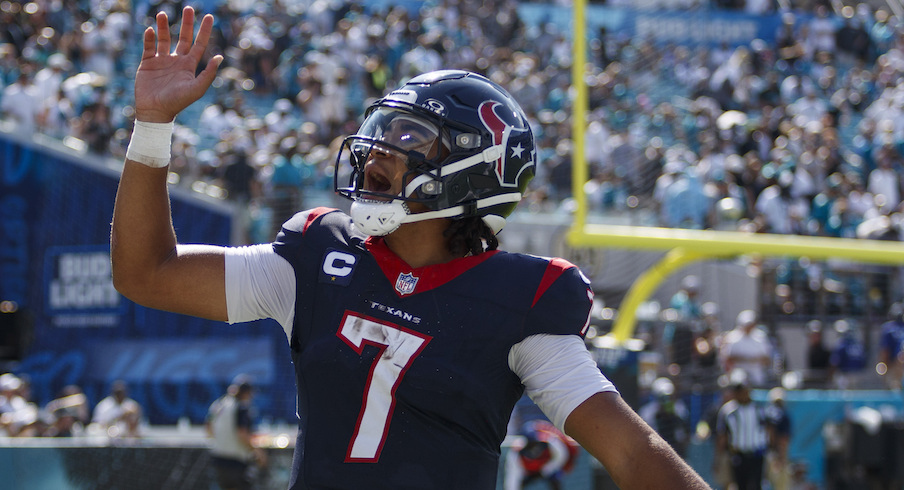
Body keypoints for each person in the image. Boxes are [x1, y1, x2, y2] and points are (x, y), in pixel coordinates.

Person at [110, 7, 709, 489]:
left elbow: (632, 455)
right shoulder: (319, 255)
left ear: (475, 172)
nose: (376, 150)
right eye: (382, 130)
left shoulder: (520, 302)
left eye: (410, 137)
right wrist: (153, 125)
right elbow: (146, 273)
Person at [207, 375, 268, 490]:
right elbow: (242, 434)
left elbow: (208, 429)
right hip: (235, 462)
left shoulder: (218, 405)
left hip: (218, 459)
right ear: (246, 393)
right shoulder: (241, 408)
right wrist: (258, 452)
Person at [715, 372, 769, 490]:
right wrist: (718, 458)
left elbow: (769, 430)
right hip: (738, 454)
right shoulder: (728, 411)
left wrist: (774, 451)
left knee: (756, 485)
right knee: (740, 486)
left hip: (757, 454)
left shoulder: (760, 408)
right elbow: (722, 436)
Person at [503, 418, 579, 490]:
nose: (534, 447)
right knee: (520, 483)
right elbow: (513, 478)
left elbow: (561, 456)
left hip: (547, 466)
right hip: (528, 471)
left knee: (556, 478)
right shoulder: (516, 453)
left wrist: (545, 470)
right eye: (531, 444)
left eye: (535, 443)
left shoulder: (549, 442)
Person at [720, 310, 773, 387]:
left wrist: (753, 360)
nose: (749, 327)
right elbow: (727, 358)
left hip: (756, 374)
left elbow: (767, 359)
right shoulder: (732, 337)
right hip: (737, 374)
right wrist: (747, 359)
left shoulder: (761, 337)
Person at [878, 302, 904, 389]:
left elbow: (885, 351)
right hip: (900, 361)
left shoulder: (888, 328)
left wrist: (883, 367)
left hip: (897, 365)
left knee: (895, 389)